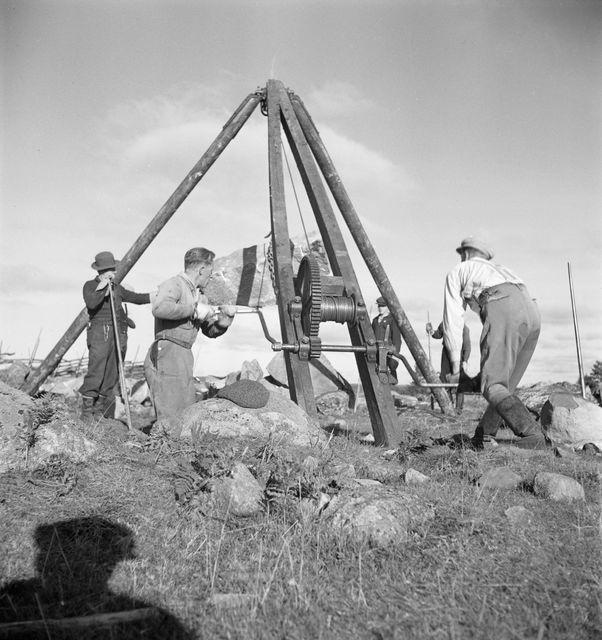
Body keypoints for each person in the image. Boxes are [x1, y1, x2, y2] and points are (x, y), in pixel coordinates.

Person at [441, 237, 547, 449]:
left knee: (493, 384)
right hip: (532, 312)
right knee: (504, 385)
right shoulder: (502, 270)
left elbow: (453, 320)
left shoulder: (460, 270)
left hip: (503, 305)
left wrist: (454, 364)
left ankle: (532, 436)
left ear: (466, 253)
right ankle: (484, 435)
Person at [144, 247, 236, 432]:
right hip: (168, 350)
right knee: (170, 410)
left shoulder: (199, 295)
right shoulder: (174, 284)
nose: (210, 276)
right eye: (210, 271)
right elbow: (160, 308)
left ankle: (176, 451)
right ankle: (163, 450)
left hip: (184, 354)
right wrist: (192, 310)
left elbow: (209, 331)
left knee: (185, 410)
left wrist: (224, 322)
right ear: (202, 269)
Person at [79, 251, 151, 421]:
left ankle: (98, 412)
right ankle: (87, 413)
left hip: (116, 333)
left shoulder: (117, 288)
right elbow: (92, 303)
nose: (113, 272)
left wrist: (154, 296)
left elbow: (135, 297)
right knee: (96, 370)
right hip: (99, 332)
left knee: (111, 372)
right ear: (101, 271)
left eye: (113, 269)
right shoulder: (90, 286)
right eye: (110, 270)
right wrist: (102, 288)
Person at [426, 320, 471, 411]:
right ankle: (448, 407)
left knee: (459, 382)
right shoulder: (445, 323)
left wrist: (465, 360)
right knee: (445, 380)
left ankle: (458, 409)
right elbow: (438, 334)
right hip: (446, 353)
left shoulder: (463, 328)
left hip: (459, 354)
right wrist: (431, 331)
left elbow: (467, 346)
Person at [371, 296, 402, 385]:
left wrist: (395, 355)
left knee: (389, 379)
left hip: (388, 353)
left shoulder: (392, 320)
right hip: (376, 353)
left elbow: (397, 339)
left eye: (383, 306)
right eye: (379, 306)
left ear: (387, 306)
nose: (380, 308)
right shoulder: (375, 321)